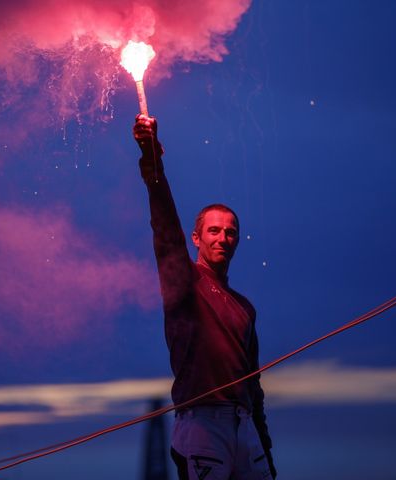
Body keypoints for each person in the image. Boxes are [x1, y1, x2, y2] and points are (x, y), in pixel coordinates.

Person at [133, 114, 276, 480]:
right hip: (202, 422)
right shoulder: (184, 281)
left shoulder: (245, 308)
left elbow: (253, 385)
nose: (223, 238)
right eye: (213, 230)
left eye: (230, 232)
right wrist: (152, 162)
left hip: (243, 426)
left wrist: (265, 446)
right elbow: (164, 227)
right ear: (197, 238)